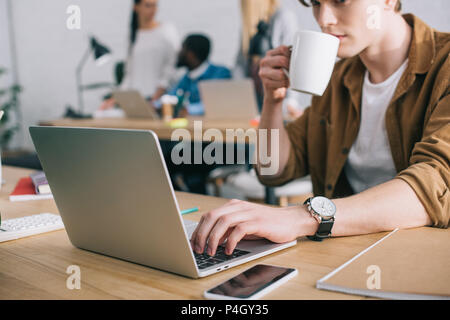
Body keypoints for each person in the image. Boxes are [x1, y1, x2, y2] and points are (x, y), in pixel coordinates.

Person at [190, 0, 449, 257]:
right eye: (315, 3)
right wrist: (272, 100)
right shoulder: (338, 78)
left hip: (423, 259)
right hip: (345, 253)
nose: (324, 19)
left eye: (339, 1)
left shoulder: (444, 66)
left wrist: (302, 217)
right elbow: (272, 170)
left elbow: (435, 187)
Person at [100, 0, 179, 109]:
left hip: (157, 102)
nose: (153, 10)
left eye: (155, 6)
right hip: (135, 101)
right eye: (148, 6)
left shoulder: (166, 30)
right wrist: (115, 99)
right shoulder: (132, 35)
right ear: (136, 7)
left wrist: (156, 96)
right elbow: (129, 74)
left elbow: (170, 68)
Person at [165, 34, 232, 116]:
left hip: (215, 127)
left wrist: (187, 110)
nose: (178, 53)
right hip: (193, 126)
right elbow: (171, 97)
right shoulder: (186, 78)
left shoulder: (220, 73)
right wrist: (157, 104)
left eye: (182, 48)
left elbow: (214, 105)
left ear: (191, 54)